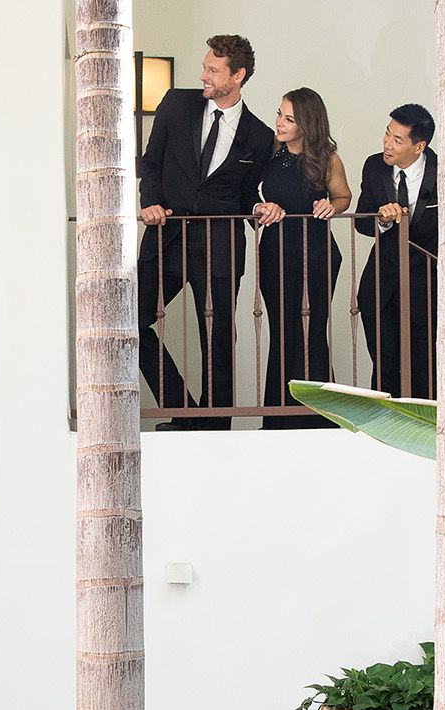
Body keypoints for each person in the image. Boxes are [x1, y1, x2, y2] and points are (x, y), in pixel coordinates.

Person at [137, 34, 273, 430]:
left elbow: (248, 194)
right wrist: (151, 202)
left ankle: (214, 426)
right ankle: (183, 410)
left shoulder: (260, 136)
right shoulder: (176, 103)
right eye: (205, 67)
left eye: (213, 70)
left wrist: (258, 208)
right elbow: (152, 162)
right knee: (131, 323)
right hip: (167, 237)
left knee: (217, 343)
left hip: (220, 247)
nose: (204, 76)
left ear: (238, 75)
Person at [253, 88, 351, 429]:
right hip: (276, 252)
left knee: (312, 330)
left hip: (318, 253)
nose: (279, 122)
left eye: (289, 118)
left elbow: (343, 196)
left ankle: (320, 419)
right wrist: (262, 207)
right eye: (279, 114)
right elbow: (249, 194)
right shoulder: (269, 153)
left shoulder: (327, 158)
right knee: (283, 330)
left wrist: (331, 205)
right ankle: (278, 419)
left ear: (307, 124)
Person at [354, 104, 438, 398]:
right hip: (381, 282)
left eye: (397, 139)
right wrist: (382, 220)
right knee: (384, 364)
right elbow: (361, 223)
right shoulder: (374, 166)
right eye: (387, 134)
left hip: (427, 285)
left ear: (419, 146)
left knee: (425, 366)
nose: (387, 144)